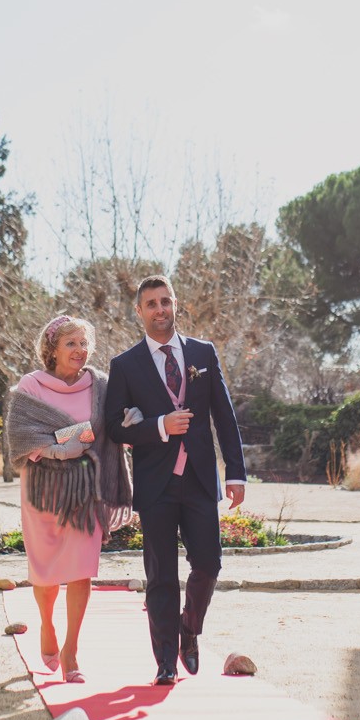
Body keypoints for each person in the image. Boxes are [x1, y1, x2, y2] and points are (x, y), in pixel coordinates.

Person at [102, 274, 248, 685]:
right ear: (139, 312)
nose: (160, 309)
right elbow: (116, 427)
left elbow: (223, 414)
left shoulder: (203, 352)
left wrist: (235, 472)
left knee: (209, 563)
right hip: (156, 484)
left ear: (175, 304)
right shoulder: (125, 366)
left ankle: (189, 629)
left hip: (201, 479)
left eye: (165, 301)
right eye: (151, 303)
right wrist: (160, 426)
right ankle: (165, 661)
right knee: (161, 575)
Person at [2, 315, 131, 683]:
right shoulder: (32, 385)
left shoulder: (101, 385)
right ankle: (46, 625)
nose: (79, 350)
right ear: (53, 348)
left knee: (81, 569)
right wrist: (61, 448)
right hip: (42, 491)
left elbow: (107, 429)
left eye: (84, 343)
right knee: (44, 571)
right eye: (71, 343)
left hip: (86, 491)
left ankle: (71, 650)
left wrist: (130, 422)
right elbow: (21, 434)